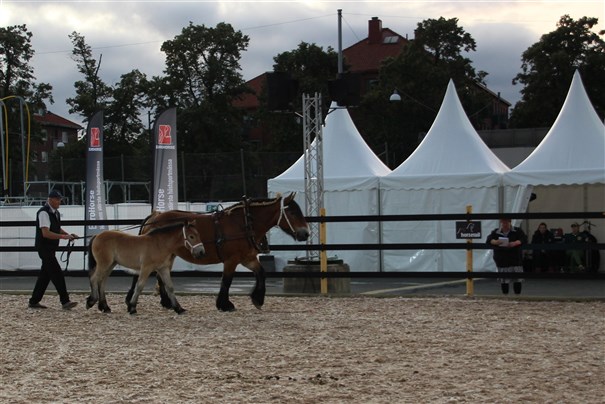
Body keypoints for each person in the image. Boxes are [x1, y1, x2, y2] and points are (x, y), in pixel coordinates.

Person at [28, 189, 79, 310]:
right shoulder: (44, 213)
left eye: (60, 199)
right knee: (57, 274)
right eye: (57, 199)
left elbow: (56, 228)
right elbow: (46, 233)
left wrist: (69, 235)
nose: (59, 201)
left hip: (50, 249)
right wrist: (64, 236)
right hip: (44, 248)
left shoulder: (55, 213)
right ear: (50, 200)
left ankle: (34, 301)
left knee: (45, 276)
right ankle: (65, 301)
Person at [486, 218, 527, 295]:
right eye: (503, 223)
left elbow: (524, 239)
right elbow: (488, 240)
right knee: (504, 280)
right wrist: (495, 242)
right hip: (502, 260)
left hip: (515, 259)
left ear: (510, 222)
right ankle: (505, 296)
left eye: (506, 223)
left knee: (517, 280)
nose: (504, 225)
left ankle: (517, 296)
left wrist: (515, 243)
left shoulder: (517, 231)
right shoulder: (495, 232)